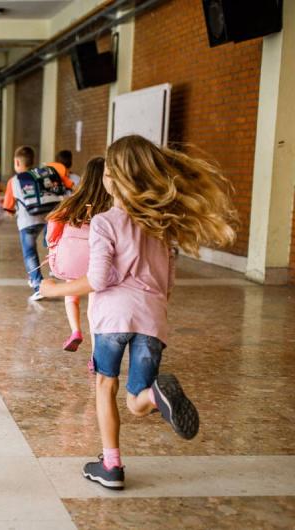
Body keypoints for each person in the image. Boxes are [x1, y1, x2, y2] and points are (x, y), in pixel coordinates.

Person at [40, 135, 237, 490]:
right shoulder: (162, 226)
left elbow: (99, 279)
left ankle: (112, 465)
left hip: (113, 318)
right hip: (152, 318)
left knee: (105, 385)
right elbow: (168, 283)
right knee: (136, 400)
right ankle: (154, 396)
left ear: (112, 178)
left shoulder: (105, 221)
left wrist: (55, 289)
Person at [45, 157, 111, 366]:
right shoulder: (108, 206)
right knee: (94, 308)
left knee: (70, 294)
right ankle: (95, 357)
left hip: (74, 260)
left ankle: (75, 331)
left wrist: (52, 243)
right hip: (97, 263)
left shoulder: (72, 202)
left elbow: (53, 224)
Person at [2, 145, 48, 302]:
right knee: (36, 247)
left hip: (27, 222)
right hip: (44, 219)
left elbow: (8, 207)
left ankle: (37, 285)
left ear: (16, 162)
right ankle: (35, 276)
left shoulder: (13, 181)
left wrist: (10, 212)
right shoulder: (39, 175)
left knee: (30, 254)